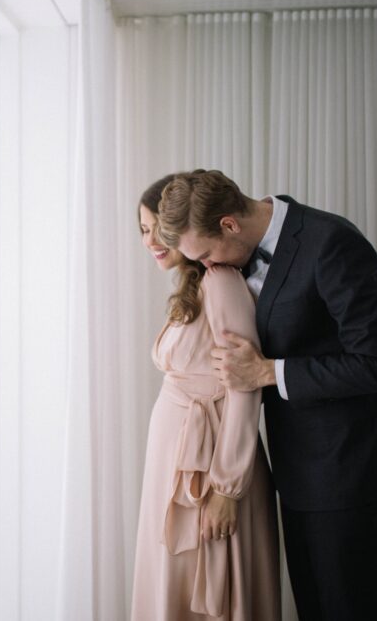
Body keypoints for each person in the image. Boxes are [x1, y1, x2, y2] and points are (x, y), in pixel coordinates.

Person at [157, 169, 377, 621]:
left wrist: (267, 372)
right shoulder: (232, 262)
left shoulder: (331, 242)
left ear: (229, 225)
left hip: (349, 470)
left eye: (203, 254)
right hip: (295, 472)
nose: (204, 267)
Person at [131, 175, 280, 621]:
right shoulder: (191, 290)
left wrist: (225, 489)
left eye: (159, 228)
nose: (152, 240)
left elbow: (243, 387)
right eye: (143, 229)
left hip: (212, 465)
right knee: (168, 584)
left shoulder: (221, 283)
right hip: (174, 462)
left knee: (208, 583)